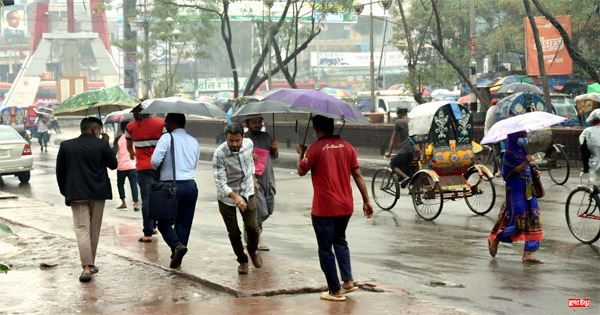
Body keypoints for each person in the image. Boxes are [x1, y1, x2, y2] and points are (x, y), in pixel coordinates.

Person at [296, 115, 374, 301]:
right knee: (340, 240)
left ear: (316, 129)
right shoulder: (347, 147)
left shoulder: (315, 149)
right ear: (333, 127)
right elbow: (358, 174)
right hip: (345, 205)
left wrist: (301, 152)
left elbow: (301, 171)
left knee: (325, 248)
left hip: (324, 208)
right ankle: (347, 282)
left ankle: (335, 291)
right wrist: (366, 200)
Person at [56, 117, 117, 282]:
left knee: (82, 229)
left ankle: (87, 267)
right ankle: (90, 264)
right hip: (98, 193)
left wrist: (64, 191)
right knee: (93, 229)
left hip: (76, 193)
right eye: (99, 130)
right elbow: (113, 164)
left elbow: (60, 171)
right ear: (95, 129)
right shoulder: (102, 145)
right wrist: (107, 144)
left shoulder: (66, 146)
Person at [151, 113, 200, 268]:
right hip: (191, 185)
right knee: (184, 223)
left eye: (166, 122)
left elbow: (154, 161)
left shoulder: (167, 138)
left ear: (172, 123)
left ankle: (177, 247)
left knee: (163, 223)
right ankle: (177, 254)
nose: (165, 124)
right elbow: (195, 163)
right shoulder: (194, 141)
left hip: (171, 186)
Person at [212, 123, 262, 275]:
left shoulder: (249, 145)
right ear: (226, 138)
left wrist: (253, 180)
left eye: (237, 141)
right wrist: (235, 197)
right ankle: (242, 260)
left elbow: (250, 162)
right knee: (234, 232)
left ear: (243, 138)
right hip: (227, 197)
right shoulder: (219, 154)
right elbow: (220, 182)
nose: (234, 144)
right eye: (231, 141)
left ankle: (252, 250)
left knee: (253, 227)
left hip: (247, 190)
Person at [488, 131, 543, 263]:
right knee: (519, 223)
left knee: (533, 219)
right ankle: (497, 238)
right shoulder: (508, 154)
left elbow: (528, 168)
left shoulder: (524, 150)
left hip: (528, 188)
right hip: (515, 189)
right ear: (514, 139)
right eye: (521, 137)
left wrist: (534, 171)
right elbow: (507, 174)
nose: (524, 139)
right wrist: (525, 163)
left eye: (525, 136)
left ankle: (528, 253)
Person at [126, 112, 164, 242]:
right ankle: (154, 226)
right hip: (159, 166)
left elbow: (129, 148)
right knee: (158, 197)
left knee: (146, 199)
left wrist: (132, 154)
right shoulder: (161, 123)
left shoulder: (130, 126)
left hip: (142, 167)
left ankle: (147, 233)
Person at [246, 115, 278, 251]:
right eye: (254, 122)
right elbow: (236, 157)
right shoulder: (244, 139)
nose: (257, 124)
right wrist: (248, 156)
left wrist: (275, 149)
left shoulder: (267, 137)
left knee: (268, 210)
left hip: (268, 179)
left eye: (259, 122)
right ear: (247, 123)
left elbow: (274, 156)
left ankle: (250, 228)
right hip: (254, 180)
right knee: (260, 210)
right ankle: (257, 239)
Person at [384, 107, 415, 188]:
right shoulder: (413, 120)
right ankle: (416, 193)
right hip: (416, 150)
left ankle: (406, 177)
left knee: (394, 163)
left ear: (400, 115)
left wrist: (389, 152)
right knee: (412, 167)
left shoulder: (398, 122)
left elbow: (393, 137)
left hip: (406, 149)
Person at [116, 121, 139, 211]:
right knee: (134, 185)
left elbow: (115, 151)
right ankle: (136, 204)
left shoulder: (118, 139)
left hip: (121, 165)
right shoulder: (133, 138)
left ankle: (123, 202)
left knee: (120, 184)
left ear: (121, 128)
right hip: (132, 165)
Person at [579, 109, 600, 186]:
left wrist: (586, 168)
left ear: (592, 121)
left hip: (597, 167)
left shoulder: (588, 132)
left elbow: (585, 152)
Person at [484, 98, 502, 176]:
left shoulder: (489, 110)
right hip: (498, 134)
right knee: (498, 154)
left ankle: (500, 170)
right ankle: (501, 171)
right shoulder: (498, 109)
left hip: (491, 134)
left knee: (497, 153)